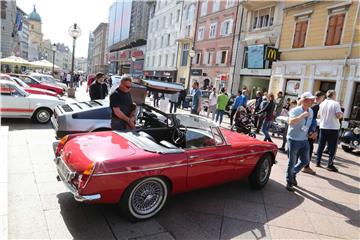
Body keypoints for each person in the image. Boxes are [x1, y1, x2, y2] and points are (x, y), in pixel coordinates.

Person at [285, 92, 316, 192]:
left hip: (304, 139)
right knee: (292, 162)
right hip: (293, 139)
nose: (312, 101)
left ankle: (293, 173)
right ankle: (289, 182)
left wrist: (312, 132)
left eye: (312, 100)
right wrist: (301, 116)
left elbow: (310, 125)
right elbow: (290, 122)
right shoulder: (295, 110)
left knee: (305, 161)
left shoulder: (311, 111)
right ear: (303, 100)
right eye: (310, 100)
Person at [316, 90, 343, 172]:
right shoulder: (336, 103)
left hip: (323, 126)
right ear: (333, 95)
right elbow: (338, 115)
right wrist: (341, 114)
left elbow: (318, 115)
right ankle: (330, 164)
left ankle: (318, 162)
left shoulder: (322, 103)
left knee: (321, 145)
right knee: (332, 147)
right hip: (333, 127)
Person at [302, 91, 325, 175]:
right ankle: (306, 166)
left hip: (309, 129)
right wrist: (312, 131)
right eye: (323, 98)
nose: (323, 99)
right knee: (309, 148)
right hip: (310, 130)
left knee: (308, 148)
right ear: (320, 97)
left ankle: (304, 165)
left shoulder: (313, 106)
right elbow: (312, 119)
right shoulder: (316, 106)